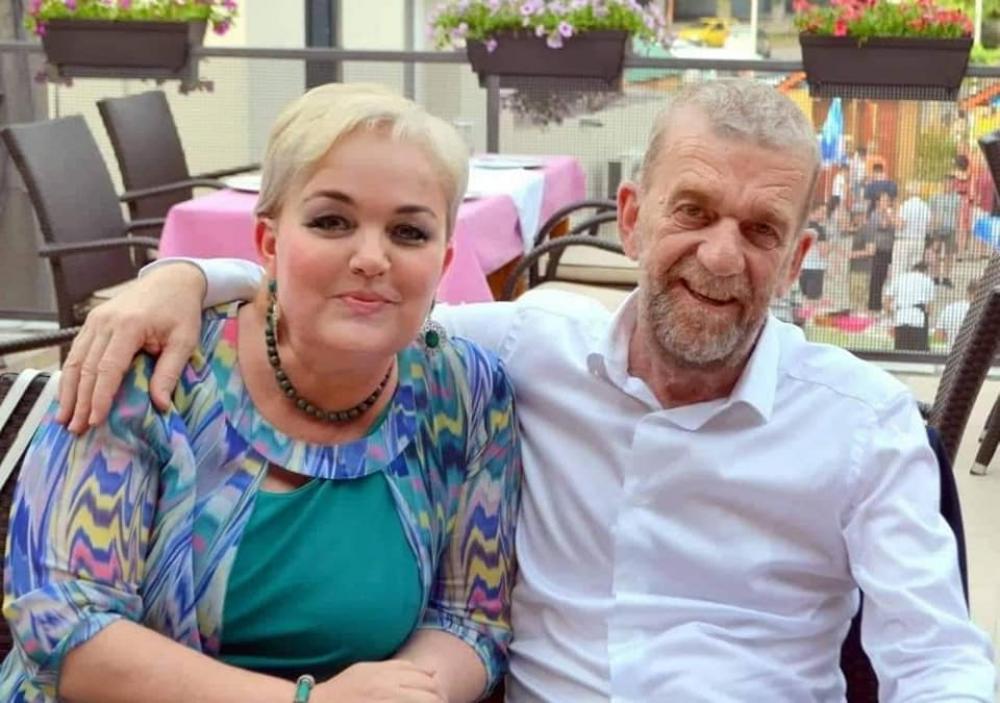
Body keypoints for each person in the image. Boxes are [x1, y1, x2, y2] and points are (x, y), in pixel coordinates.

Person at [54, 80, 996, 701]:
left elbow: (937, 659)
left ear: (796, 257)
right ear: (631, 218)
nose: (720, 255)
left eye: (760, 231)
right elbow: (366, 303)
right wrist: (185, 277)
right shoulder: (526, 350)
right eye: (694, 211)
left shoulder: (862, 426)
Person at [0, 84, 522, 703]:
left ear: (445, 260)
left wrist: (407, 695)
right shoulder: (154, 367)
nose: (371, 258)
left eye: (409, 232)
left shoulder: (465, 392)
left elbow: (470, 616)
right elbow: (61, 625)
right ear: (269, 243)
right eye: (332, 222)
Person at [884, 260, 936, 351]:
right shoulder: (928, 281)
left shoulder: (900, 278)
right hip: (918, 320)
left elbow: (887, 301)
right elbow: (930, 308)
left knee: (900, 351)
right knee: (918, 353)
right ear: (926, 271)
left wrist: (891, 315)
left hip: (901, 318)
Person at [927, 176, 962, 288]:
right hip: (937, 229)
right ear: (943, 183)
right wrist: (931, 228)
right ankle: (935, 277)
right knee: (936, 253)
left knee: (949, 255)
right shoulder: (935, 197)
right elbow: (931, 214)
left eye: (951, 183)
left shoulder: (957, 198)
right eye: (947, 183)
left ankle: (946, 277)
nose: (949, 185)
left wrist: (958, 231)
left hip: (951, 229)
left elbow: (958, 215)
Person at [894, 181, 930, 279]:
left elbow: (900, 225)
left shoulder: (905, 205)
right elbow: (929, 224)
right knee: (914, 271)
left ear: (908, 192)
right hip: (919, 241)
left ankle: (899, 288)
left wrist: (893, 217)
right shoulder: (925, 206)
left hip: (904, 241)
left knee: (899, 271)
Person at [868, 191, 896, 312]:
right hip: (879, 250)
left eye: (888, 200)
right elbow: (884, 225)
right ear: (878, 202)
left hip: (890, 250)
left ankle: (884, 305)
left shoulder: (892, 214)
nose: (886, 203)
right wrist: (888, 214)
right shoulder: (875, 215)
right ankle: (874, 306)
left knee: (886, 278)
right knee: (877, 279)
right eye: (884, 200)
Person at [935, 278, 978, 347]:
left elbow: (938, 335)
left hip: (952, 350)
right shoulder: (982, 311)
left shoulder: (950, 308)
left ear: (968, 292)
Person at [799, 202, 829, 301]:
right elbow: (824, 252)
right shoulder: (818, 229)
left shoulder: (800, 226)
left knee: (803, 299)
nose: (825, 215)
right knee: (813, 301)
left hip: (801, 267)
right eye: (822, 212)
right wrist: (832, 246)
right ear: (813, 212)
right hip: (815, 268)